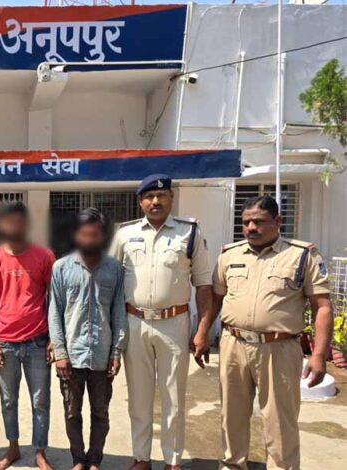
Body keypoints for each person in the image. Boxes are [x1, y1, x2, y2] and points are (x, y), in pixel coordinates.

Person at [206, 195, 332, 470]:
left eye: (259, 221)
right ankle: (232, 465)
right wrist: (202, 333)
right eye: (246, 222)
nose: (251, 227)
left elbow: (322, 306)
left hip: (279, 348)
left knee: (279, 419)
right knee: (231, 414)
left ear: (278, 221)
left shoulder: (301, 256)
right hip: (233, 344)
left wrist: (319, 355)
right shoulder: (229, 255)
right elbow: (215, 300)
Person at [109, 174, 212, 470]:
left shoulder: (189, 233)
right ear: (140, 201)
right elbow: (111, 282)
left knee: (174, 397)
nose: (155, 201)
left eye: (162, 195)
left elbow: (203, 284)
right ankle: (141, 457)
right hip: (134, 322)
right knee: (138, 397)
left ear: (171, 198)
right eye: (149, 197)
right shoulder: (124, 234)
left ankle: (172, 460)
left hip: (174, 323)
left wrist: (202, 330)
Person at [49, 208, 128, 470]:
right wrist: (60, 353)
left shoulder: (114, 269)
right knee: (72, 411)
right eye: (84, 234)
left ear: (102, 236)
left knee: (100, 412)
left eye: (94, 235)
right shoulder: (61, 268)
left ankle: (95, 459)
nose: (89, 239)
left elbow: (118, 311)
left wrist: (116, 352)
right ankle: (78, 459)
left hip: (102, 355)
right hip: (72, 355)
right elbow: (54, 312)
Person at [0, 201, 56, 470]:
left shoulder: (44, 256)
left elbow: (54, 300)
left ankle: (40, 452)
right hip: (6, 343)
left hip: (38, 341)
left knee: (40, 401)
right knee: (8, 400)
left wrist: (54, 339)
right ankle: (13, 448)